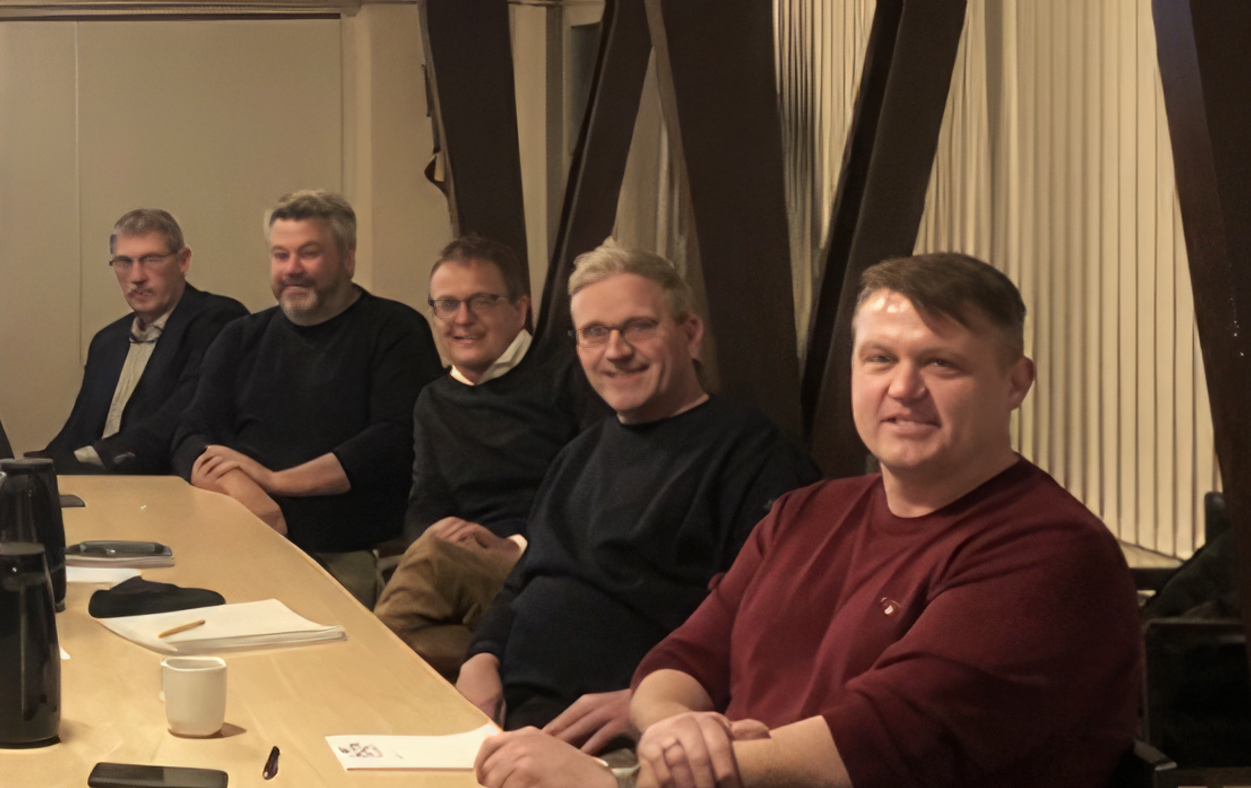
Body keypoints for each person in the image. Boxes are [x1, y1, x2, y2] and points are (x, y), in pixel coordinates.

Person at [474, 253, 1142, 788]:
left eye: (941, 364)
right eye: (879, 359)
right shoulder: (806, 513)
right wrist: (678, 732)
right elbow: (680, 661)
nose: (904, 388)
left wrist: (623, 784)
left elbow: (870, 752)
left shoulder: (1049, 553)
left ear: (1016, 382)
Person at [454, 240, 818, 752]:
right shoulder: (579, 454)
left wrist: (650, 705)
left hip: (627, 746)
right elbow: (525, 579)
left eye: (639, 327)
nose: (616, 350)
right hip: (503, 719)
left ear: (690, 333)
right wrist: (482, 657)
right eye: (594, 333)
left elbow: (776, 634)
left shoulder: (756, 457)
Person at [172, 190, 439, 606]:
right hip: (239, 536)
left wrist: (276, 481)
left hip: (345, 553)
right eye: (281, 255)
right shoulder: (240, 337)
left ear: (348, 259)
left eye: (309, 253)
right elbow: (189, 434)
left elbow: (393, 441)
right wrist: (249, 494)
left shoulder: (395, 329)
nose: (292, 269)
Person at [374, 235, 604, 677]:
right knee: (409, 630)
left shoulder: (570, 373)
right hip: (466, 573)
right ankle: (504, 661)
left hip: (547, 564)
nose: (463, 319)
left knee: (399, 613)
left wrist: (514, 546)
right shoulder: (433, 400)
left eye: (482, 301)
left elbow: (593, 494)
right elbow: (426, 500)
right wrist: (437, 533)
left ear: (520, 310)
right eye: (447, 304)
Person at [30, 209, 247, 474]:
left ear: (183, 261)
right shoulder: (106, 341)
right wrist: (35, 465)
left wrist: (92, 457)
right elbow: (77, 430)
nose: (136, 277)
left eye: (151, 260)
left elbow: (182, 418)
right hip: (94, 484)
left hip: (166, 485)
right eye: (123, 262)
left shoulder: (219, 320)